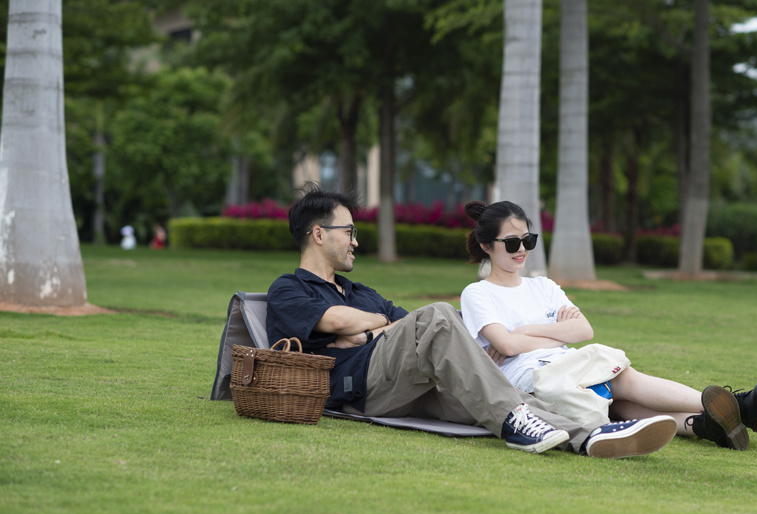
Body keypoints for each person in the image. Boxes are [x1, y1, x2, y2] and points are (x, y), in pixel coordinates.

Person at [265, 183, 678, 459]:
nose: (355, 240)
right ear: (318, 234)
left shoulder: (362, 293)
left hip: (404, 384)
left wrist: (370, 330)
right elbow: (336, 321)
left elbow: (407, 329)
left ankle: (587, 435)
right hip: (356, 388)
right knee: (442, 314)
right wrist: (372, 329)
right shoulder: (289, 289)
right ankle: (518, 424)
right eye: (348, 231)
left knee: (483, 392)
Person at [459, 200, 757, 451]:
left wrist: (525, 331)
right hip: (533, 382)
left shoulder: (543, 286)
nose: (523, 250)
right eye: (512, 243)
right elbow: (508, 347)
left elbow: (583, 331)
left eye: (529, 239)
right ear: (487, 245)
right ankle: (739, 406)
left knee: (622, 404)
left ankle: (705, 425)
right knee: (622, 381)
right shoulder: (478, 293)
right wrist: (550, 335)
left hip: (568, 366)